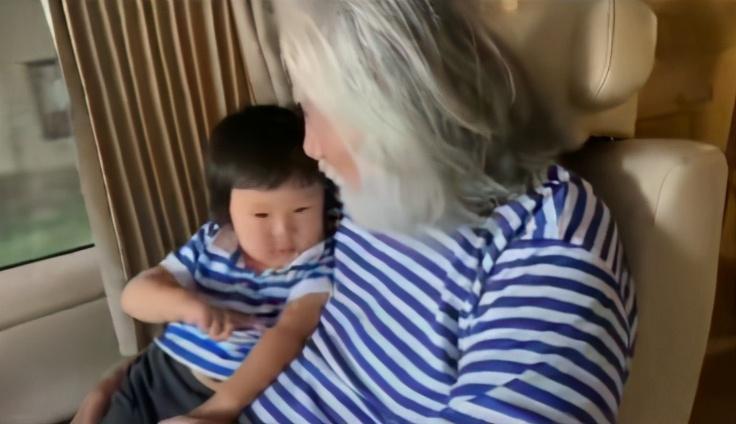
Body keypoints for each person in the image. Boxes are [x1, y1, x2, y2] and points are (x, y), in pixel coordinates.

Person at [78, 1, 636, 423]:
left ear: (399, 106)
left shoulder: (548, 249)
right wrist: (137, 382)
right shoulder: (362, 198)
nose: (310, 146)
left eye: (315, 109)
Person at [99, 105, 338, 423]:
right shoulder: (216, 240)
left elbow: (290, 333)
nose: (282, 232)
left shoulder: (317, 262)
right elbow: (134, 296)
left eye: (302, 210)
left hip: (226, 395)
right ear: (228, 212)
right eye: (261, 215)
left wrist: (222, 407)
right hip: (157, 375)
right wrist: (188, 306)